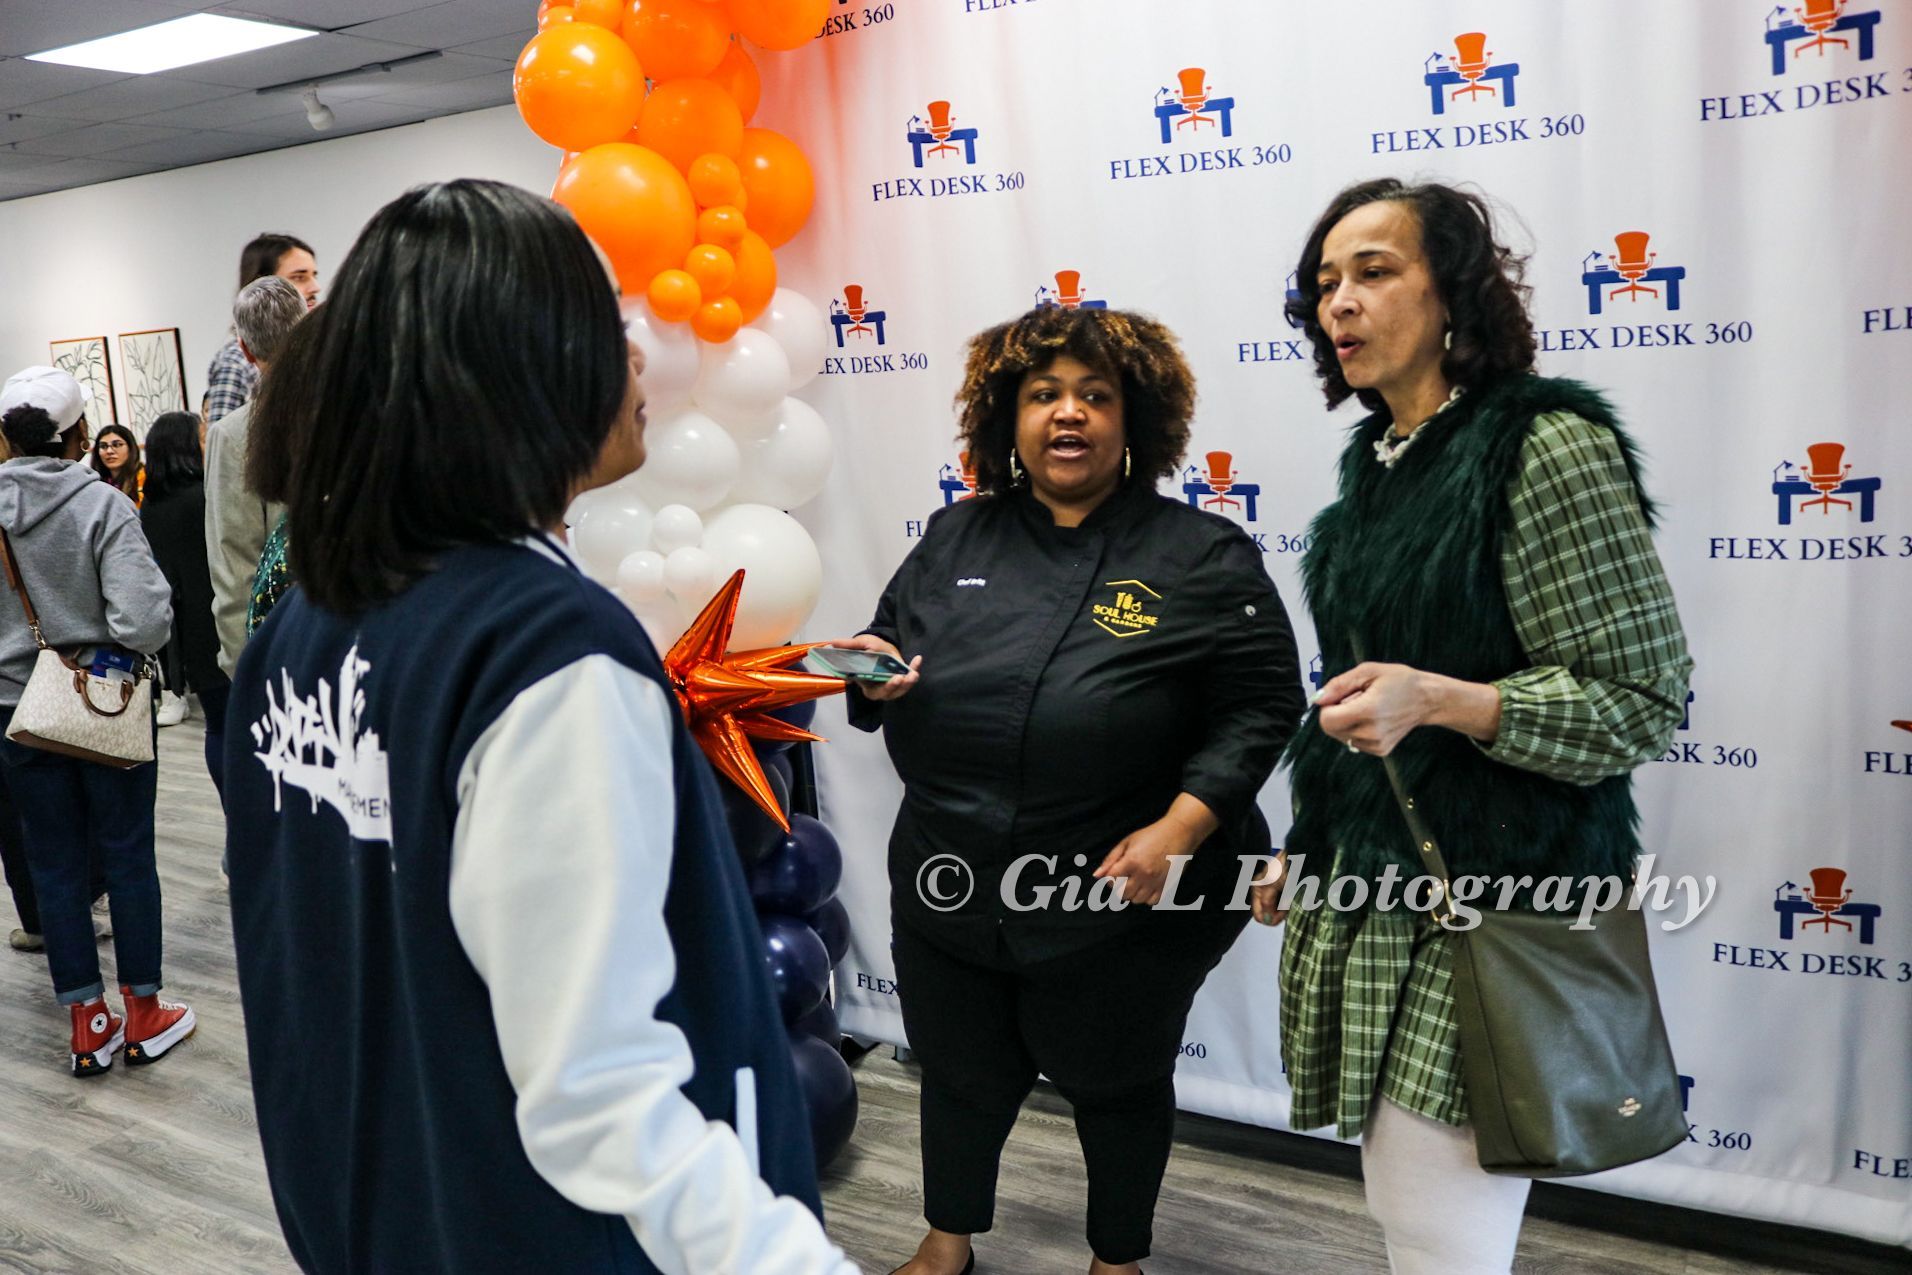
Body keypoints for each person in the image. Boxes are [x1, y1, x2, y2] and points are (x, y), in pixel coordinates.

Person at [223, 179, 856, 1274]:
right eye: (607, 327)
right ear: (524, 367)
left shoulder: (310, 625)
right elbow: (600, 1092)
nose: (643, 361)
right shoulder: (545, 648)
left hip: (377, 1214)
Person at [1264, 178, 1693, 1275]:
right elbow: (1358, 712)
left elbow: (1640, 702)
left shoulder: (1542, 446)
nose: (1339, 305)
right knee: (1409, 1214)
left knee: (1441, 1234)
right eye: (1324, 284)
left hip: (1497, 906)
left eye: (1373, 271)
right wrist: (1306, 855)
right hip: (1379, 895)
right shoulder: (1371, 473)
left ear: (1452, 292)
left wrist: (1443, 699)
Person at [840, 305, 1305, 1275]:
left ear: (1136, 422)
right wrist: (869, 673)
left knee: (1117, 1080)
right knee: (958, 1070)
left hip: (1118, 886)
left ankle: (1116, 1260)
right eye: (1043, 394)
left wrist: (1181, 828)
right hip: (948, 873)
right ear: (1004, 418)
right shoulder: (954, 537)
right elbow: (885, 649)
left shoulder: (1202, 557)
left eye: (1096, 396)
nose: (1069, 415)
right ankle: (947, 1239)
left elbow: (1261, 707)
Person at [0, 365, 190, 1076]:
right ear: (80, 433)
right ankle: (144, 1011)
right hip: (104, 705)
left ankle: (87, 1021)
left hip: (16, 710)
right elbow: (142, 621)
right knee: (126, 853)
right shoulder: (106, 508)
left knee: (52, 863)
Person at [205, 275, 304, 680]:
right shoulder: (361, 407)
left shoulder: (233, 435)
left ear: (244, 349)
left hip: (287, 648)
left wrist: (242, 672)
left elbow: (234, 570)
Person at [140, 411, 229, 783]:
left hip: (185, 630)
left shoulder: (150, 507)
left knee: (218, 728)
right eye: (203, 438)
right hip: (222, 620)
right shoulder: (206, 497)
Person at [203, 232, 319, 424]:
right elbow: (225, 444)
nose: (315, 287)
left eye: (314, 275)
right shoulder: (236, 363)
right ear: (263, 284)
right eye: (299, 277)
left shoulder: (316, 352)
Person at [88, 424, 143, 505]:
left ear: (130, 448)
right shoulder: (95, 483)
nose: (109, 451)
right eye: (103, 446)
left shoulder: (145, 478)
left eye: (117, 445)